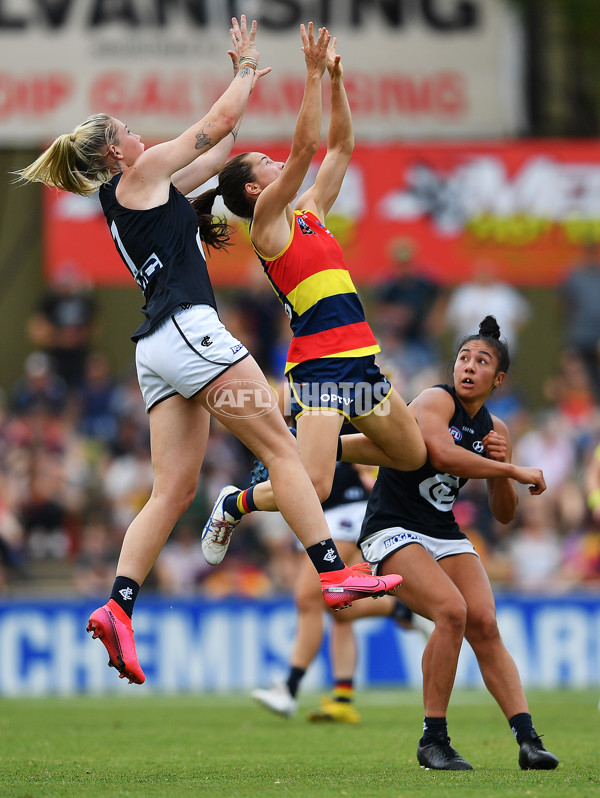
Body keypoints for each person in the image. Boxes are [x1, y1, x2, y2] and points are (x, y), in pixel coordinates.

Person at [16, 18, 402, 686]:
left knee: (172, 489)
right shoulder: (138, 177)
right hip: (191, 332)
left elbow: (218, 151)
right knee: (281, 450)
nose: (139, 134)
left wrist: (244, 114)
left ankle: (118, 605)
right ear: (115, 154)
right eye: (129, 131)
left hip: (156, 350)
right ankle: (334, 574)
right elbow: (218, 124)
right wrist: (248, 68)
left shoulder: (140, 192)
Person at [192, 24, 426, 569]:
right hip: (321, 366)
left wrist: (338, 80)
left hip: (361, 361)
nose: (279, 165)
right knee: (315, 488)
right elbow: (305, 147)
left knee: (410, 453)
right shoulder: (268, 224)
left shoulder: (309, 213)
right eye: (267, 167)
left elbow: (341, 145)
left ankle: (302, 450)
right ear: (255, 190)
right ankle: (236, 500)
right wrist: (313, 74)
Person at [352, 316, 559, 770]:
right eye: (463, 357)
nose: (468, 366)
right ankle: (434, 741)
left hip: (441, 531)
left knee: (484, 622)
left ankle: (528, 740)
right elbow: (441, 454)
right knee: (452, 612)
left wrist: (502, 460)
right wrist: (514, 470)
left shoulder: (496, 429)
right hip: (392, 525)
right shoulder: (435, 399)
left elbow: (504, 514)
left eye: (481, 361)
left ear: (498, 379)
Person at [250, 431, 433, 723]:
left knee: (307, 596)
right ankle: (344, 697)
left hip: (347, 510)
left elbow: (369, 449)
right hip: (315, 515)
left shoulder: (331, 404)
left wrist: (371, 475)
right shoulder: (304, 409)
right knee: (340, 606)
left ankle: (289, 688)